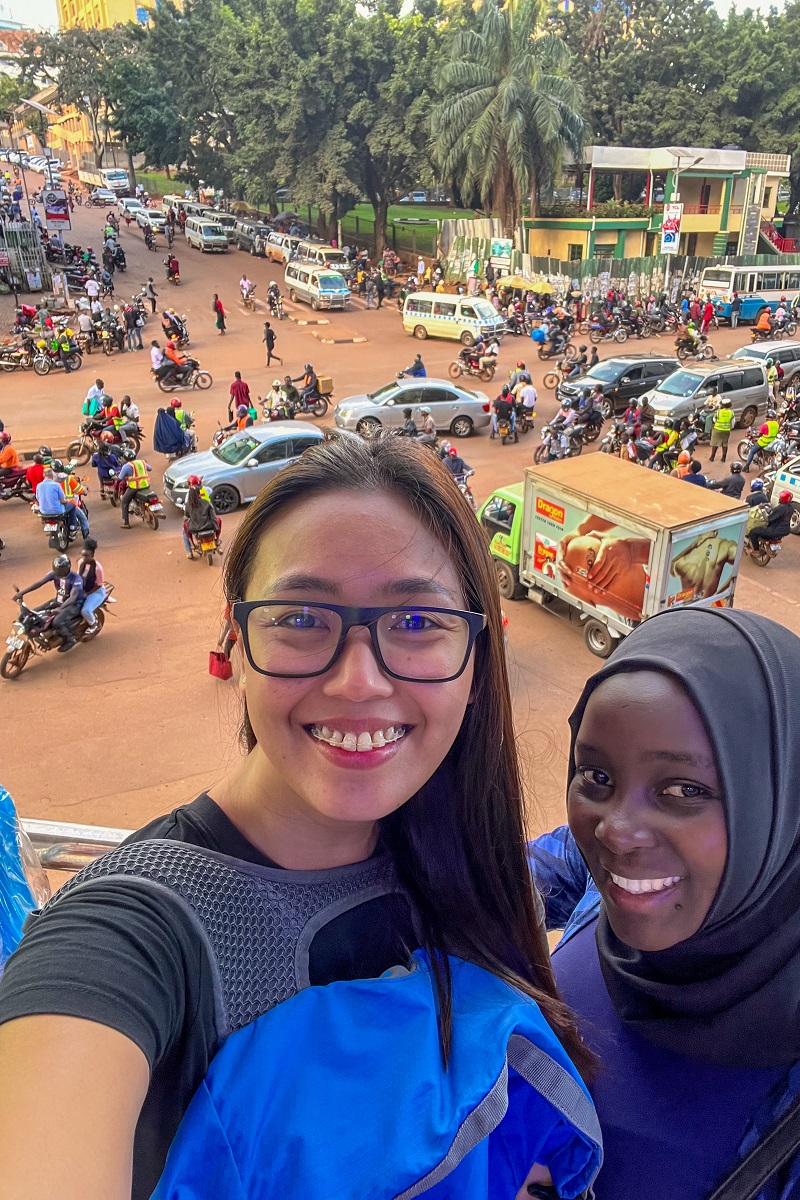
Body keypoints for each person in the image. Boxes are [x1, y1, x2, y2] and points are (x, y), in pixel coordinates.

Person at [0, 436, 600, 1200]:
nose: (358, 681)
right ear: (236, 639)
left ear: (477, 661)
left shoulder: (461, 859)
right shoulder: (131, 936)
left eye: (417, 623)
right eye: (300, 617)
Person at [530, 607, 800, 1200]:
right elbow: (503, 884)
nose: (617, 831)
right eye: (596, 776)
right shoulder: (617, 885)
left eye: (684, 791)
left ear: (783, 804)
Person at [12, 554, 85, 652]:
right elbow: (39, 583)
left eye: (60, 570)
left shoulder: (76, 579)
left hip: (74, 605)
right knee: (33, 613)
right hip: (57, 601)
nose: (57, 573)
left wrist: (60, 608)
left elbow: (73, 597)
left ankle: (70, 639)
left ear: (67, 568)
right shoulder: (54, 574)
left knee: (57, 622)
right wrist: (22, 593)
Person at [36, 467, 89, 539]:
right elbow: (63, 499)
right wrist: (68, 500)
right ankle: (75, 530)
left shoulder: (39, 485)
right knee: (83, 518)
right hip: (59, 509)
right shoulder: (65, 480)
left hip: (44, 511)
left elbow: (38, 498)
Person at [182, 475, 222, 559]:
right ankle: (217, 541)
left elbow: (187, 515)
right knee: (219, 520)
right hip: (209, 526)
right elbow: (213, 516)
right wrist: (216, 528)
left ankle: (190, 549)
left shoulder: (188, 503)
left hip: (194, 528)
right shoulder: (206, 499)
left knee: (184, 527)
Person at [748, 488, 794, 553]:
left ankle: (756, 550)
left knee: (753, 532)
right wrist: (770, 506)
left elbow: (768, 519)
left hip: (774, 530)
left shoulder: (781, 508)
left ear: (783, 498)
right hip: (785, 530)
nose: (779, 498)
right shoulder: (791, 507)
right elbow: (777, 513)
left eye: (780, 497)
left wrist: (762, 510)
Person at [77, 538, 107, 627]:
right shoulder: (81, 562)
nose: (84, 558)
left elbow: (99, 585)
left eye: (86, 556)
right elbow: (79, 576)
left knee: (85, 610)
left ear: (92, 555)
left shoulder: (98, 568)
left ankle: (93, 625)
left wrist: (86, 594)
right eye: (83, 556)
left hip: (96, 592)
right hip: (84, 589)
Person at [117, 457, 154, 528]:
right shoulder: (142, 462)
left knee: (124, 501)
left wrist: (115, 478)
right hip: (146, 485)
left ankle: (126, 523)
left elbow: (120, 478)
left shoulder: (127, 466)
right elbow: (150, 468)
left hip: (134, 488)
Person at [708, 397, 734, 463]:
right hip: (726, 430)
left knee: (715, 443)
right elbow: (732, 423)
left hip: (717, 429)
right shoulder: (731, 413)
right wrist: (729, 428)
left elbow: (714, 419)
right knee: (724, 444)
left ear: (723, 405)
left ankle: (712, 457)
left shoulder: (719, 412)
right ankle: (723, 458)